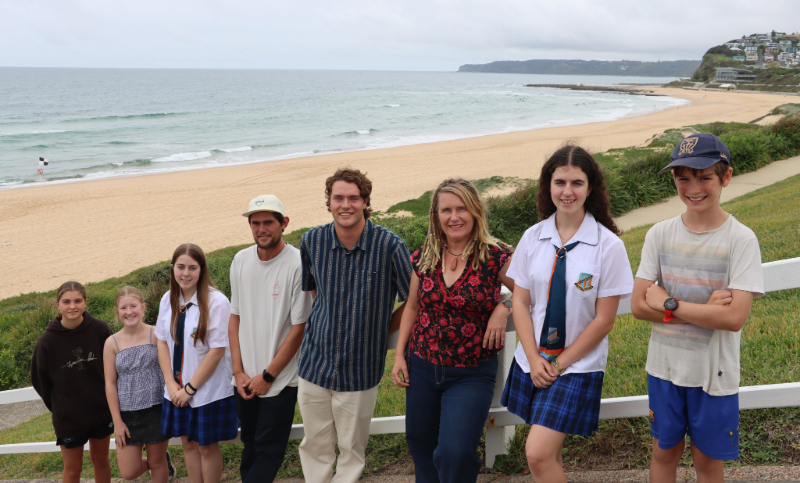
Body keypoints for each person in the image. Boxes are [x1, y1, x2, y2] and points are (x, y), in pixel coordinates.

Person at [631, 133, 764, 483]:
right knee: (664, 452)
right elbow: (638, 305)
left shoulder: (740, 239)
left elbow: (733, 319)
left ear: (726, 177)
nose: (693, 187)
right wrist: (706, 311)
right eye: (683, 178)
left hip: (714, 374)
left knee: (707, 461)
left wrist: (669, 303)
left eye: (705, 177)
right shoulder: (658, 234)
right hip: (664, 368)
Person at [501, 145, 634, 482]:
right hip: (532, 359)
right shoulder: (533, 237)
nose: (567, 191)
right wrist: (533, 359)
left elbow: (604, 320)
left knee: (537, 453)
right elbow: (520, 302)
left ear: (591, 188)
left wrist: (559, 364)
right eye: (560, 182)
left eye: (577, 182)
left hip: (576, 365)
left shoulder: (608, 246)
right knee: (550, 454)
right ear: (548, 185)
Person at [390, 178, 514, 483]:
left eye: (462, 209)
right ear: (436, 215)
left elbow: (531, 293)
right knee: (421, 447)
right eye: (447, 210)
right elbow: (412, 307)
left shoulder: (494, 255)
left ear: (475, 212)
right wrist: (399, 357)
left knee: (455, 453)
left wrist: (505, 307)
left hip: (470, 372)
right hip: (421, 366)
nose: (454, 217)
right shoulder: (423, 256)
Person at [297, 168, 413, 483]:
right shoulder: (312, 241)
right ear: (329, 202)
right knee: (315, 444)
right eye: (338, 198)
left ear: (365, 202)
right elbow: (313, 289)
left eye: (353, 198)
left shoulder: (390, 245)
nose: (345, 205)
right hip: (314, 361)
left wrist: (381, 328)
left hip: (361, 367)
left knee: (352, 449)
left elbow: (413, 299)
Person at [229, 195, 312, 483]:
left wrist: (268, 375)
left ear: (283, 223)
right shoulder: (240, 260)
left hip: (280, 380)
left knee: (268, 451)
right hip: (244, 379)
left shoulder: (299, 263)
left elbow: (299, 328)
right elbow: (235, 318)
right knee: (249, 445)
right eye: (255, 223)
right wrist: (238, 372)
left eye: (268, 222)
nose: (261, 229)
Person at [155, 243, 238, 483]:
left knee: (206, 447)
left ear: (201, 270)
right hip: (176, 390)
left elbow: (217, 350)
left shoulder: (216, 302)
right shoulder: (167, 300)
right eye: (180, 267)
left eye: (192, 267)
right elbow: (161, 342)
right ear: (172, 269)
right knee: (187, 444)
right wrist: (171, 385)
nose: (186, 273)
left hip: (206, 390)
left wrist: (190, 388)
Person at [31, 281, 114, 483]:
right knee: (72, 469)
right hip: (68, 417)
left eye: (78, 301)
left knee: (101, 460)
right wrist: (59, 406)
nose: (72, 306)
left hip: (101, 411)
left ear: (85, 302)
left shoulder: (100, 329)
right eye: (66, 301)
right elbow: (39, 380)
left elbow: (114, 367)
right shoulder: (47, 341)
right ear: (57, 304)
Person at [103, 286, 174, 483]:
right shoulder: (111, 343)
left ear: (142, 307)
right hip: (127, 415)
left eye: (133, 306)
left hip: (156, 409)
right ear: (117, 311)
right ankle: (161, 461)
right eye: (123, 308)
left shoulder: (156, 334)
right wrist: (117, 421)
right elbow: (109, 383)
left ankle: (161, 462)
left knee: (156, 462)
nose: (129, 312)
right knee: (129, 472)